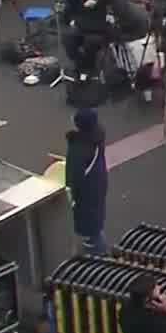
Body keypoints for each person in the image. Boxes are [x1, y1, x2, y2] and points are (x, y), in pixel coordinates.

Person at [64, 107, 108, 252]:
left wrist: (71, 195)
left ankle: (97, 255)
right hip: (97, 186)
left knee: (90, 232)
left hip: (85, 193)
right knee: (95, 225)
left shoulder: (79, 147)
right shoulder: (96, 138)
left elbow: (75, 175)